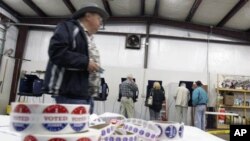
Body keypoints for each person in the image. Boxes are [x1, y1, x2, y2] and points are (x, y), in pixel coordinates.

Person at [43, 3, 109, 114]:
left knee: (83, 130)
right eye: (99, 19)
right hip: (70, 94)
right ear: (88, 16)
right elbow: (57, 52)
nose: (100, 23)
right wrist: (86, 62)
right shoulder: (68, 27)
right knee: (71, 130)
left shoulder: (87, 37)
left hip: (85, 94)